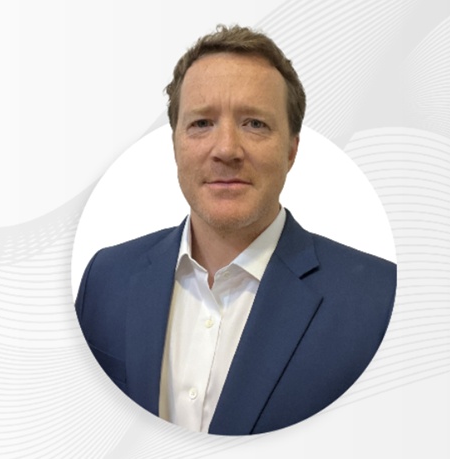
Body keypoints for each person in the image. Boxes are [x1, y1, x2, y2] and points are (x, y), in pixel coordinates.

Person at [75, 25, 396, 435]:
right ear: (175, 144)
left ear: (292, 150)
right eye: (202, 123)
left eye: (254, 124)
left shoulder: (381, 300)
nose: (226, 149)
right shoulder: (105, 278)